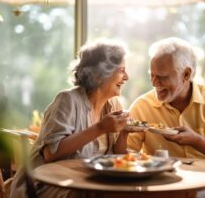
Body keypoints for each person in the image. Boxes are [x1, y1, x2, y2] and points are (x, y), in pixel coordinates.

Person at [10, 38, 131, 198]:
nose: (127, 77)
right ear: (99, 75)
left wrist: (125, 132)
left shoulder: (113, 105)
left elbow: (117, 156)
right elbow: (50, 154)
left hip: (85, 183)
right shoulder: (67, 100)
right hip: (43, 185)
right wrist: (100, 128)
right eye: (121, 71)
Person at [127, 37, 205, 165]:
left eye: (162, 77)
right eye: (152, 75)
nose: (154, 82)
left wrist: (196, 141)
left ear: (186, 74)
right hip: (164, 182)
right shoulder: (142, 106)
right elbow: (127, 154)